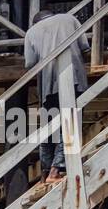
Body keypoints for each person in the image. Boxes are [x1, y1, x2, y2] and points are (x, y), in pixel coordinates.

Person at [24, 10, 89, 181]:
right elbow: (85, 47)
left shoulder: (31, 32)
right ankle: (57, 169)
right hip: (72, 76)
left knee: (50, 126)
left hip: (48, 82)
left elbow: (30, 63)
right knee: (70, 121)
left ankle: (45, 171)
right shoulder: (70, 19)